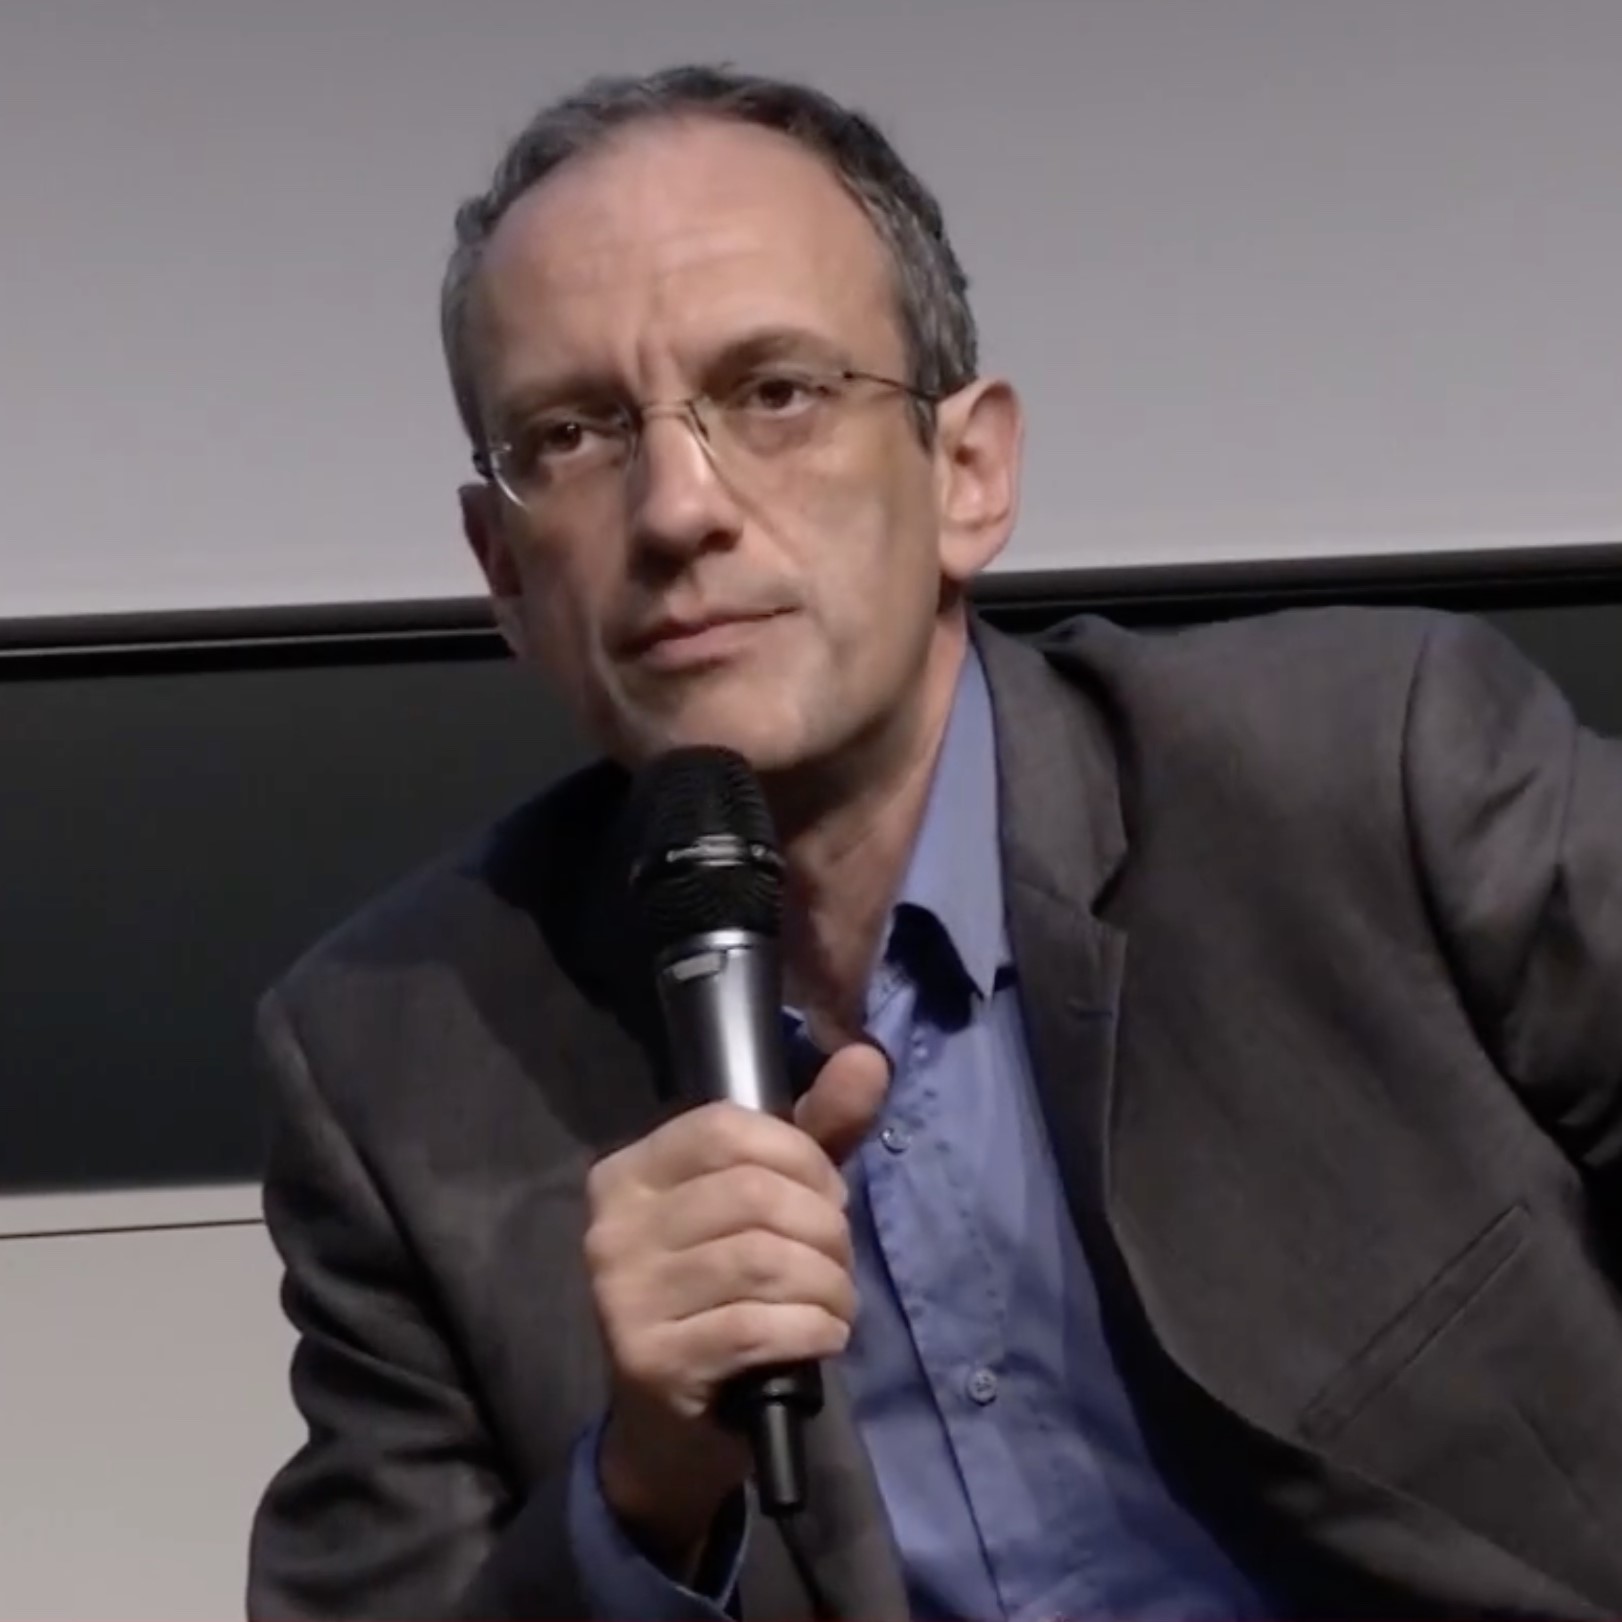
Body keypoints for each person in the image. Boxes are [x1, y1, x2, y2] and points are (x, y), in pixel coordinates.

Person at [246, 63, 1622, 1622]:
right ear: (501, 568)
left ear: (966, 474)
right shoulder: (396, 1061)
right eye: (571, 433)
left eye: (774, 391)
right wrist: (641, 1491)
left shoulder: (1368, 770)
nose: (677, 507)